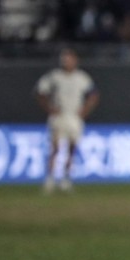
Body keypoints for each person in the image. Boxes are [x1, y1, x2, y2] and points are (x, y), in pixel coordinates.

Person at [35, 48, 99, 193]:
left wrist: (84, 111)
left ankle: (66, 179)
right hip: (59, 116)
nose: (67, 62)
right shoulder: (55, 76)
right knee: (55, 148)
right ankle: (50, 179)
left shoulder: (82, 77)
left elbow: (93, 94)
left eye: (69, 59)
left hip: (74, 117)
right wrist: (50, 109)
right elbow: (40, 91)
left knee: (71, 148)